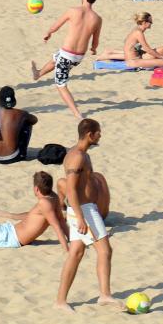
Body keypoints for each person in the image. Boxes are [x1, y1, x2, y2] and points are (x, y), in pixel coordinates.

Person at [56, 118, 117, 311]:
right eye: (98, 132)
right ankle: (104, 295)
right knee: (105, 250)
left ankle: (60, 300)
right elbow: (71, 190)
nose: (100, 135)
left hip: (83, 209)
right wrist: (81, 217)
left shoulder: (81, 154)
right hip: (84, 210)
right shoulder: (77, 157)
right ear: (90, 134)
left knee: (76, 253)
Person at [31, 0, 102, 121]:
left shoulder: (73, 11)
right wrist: (93, 49)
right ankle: (38, 74)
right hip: (78, 57)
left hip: (67, 55)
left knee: (61, 84)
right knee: (56, 58)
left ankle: (77, 114)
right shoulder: (97, 19)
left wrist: (48, 33)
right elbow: (95, 41)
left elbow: (56, 25)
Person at [0, 171, 67, 251]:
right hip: (9, 231)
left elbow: (56, 226)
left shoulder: (44, 203)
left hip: (10, 237)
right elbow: (61, 220)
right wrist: (71, 237)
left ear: (36, 189)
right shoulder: (53, 197)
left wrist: (66, 248)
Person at [0, 86, 36, 164]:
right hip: (12, 157)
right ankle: (23, 154)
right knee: (27, 123)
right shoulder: (21, 113)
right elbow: (34, 120)